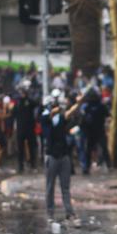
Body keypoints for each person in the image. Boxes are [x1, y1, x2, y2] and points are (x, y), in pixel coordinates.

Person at [41, 94, 79, 224]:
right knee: (50, 187)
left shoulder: (61, 117)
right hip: (52, 156)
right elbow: (47, 130)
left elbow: (69, 115)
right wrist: (52, 113)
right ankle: (50, 214)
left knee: (65, 187)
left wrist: (78, 103)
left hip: (64, 155)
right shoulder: (44, 118)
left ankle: (69, 212)